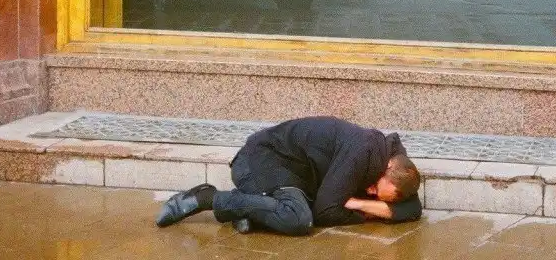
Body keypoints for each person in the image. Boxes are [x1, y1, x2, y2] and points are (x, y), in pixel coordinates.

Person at [155, 116, 422, 236]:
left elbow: (413, 208)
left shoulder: (398, 163)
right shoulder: (361, 153)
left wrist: (361, 204)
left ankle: (246, 209)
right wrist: (369, 214)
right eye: (374, 189)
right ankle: (207, 198)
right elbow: (324, 212)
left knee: (297, 209)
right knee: (298, 219)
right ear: (388, 167)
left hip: (297, 177)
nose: (371, 192)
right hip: (263, 162)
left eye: (379, 196)